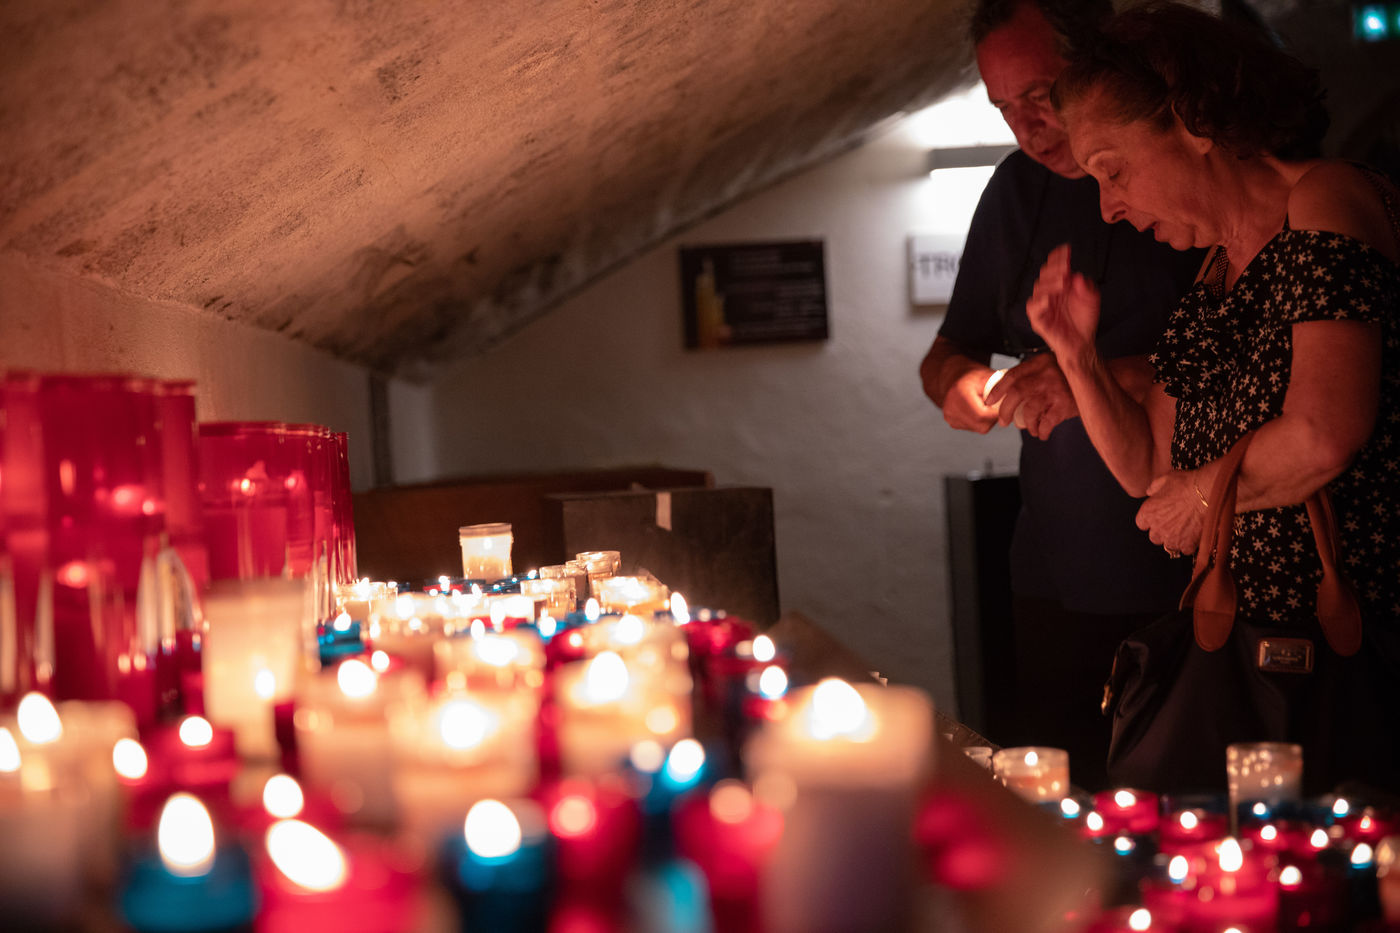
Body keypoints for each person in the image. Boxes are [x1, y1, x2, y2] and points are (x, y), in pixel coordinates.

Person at [1027, 1, 1400, 789]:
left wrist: (1204, 495)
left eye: (1112, 169)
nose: (1108, 206)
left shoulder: (1326, 199)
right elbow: (1148, 467)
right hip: (1259, 662)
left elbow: (1325, 432)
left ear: (1192, 119)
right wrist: (1078, 357)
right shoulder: (1214, 273)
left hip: (1358, 653)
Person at [919, 0, 1201, 788]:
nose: (1027, 126)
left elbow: (1249, 353)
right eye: (1003, 108)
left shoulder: (1173, 169)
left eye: (1041, 96)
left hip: (1182, 551)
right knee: (1056, 787)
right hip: (1052, 561)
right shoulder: (1016, 192)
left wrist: (1091, 375)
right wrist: (961, 385)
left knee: (1176, 791)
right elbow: (948, 349)